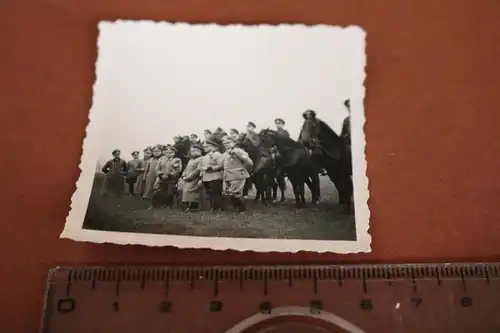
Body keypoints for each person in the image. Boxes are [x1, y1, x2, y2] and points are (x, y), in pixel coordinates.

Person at [221, 136, 254, 213]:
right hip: (228, 176)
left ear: (234, 143)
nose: (226, 144)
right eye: (225, 143)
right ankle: (238, 209)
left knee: (235, 194)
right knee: (230, 194)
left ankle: (242, 210)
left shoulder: (238, 151)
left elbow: (249, 163)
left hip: (238, 175)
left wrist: (243, 170)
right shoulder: (225, 153)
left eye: (228, 143)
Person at [199, 135, 225, 212]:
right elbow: (201, 167)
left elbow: (221, 165)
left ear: (213, 146)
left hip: (215, 177)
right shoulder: (205, 156)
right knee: (210, 193)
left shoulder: (218, 154)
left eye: (206, 146)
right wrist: (201, 178)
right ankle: (213, 208)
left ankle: (219, 208)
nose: (204, 148)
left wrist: (210, 168)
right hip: (206, 178)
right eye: (204, 147)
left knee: (216, 194)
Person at [180, 144, 204, 211]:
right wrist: (183, 175)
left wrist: (189, 177)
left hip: (195, 178)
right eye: (192, 151)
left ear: (200, 151)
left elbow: (198, 170)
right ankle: (189, 206)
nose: (193, 152)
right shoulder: (190, 160)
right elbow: (186, 168)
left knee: (189, 190)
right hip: (186, 178)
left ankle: (191, 206)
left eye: (196, 151)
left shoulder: (201, 159)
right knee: (183, 189)